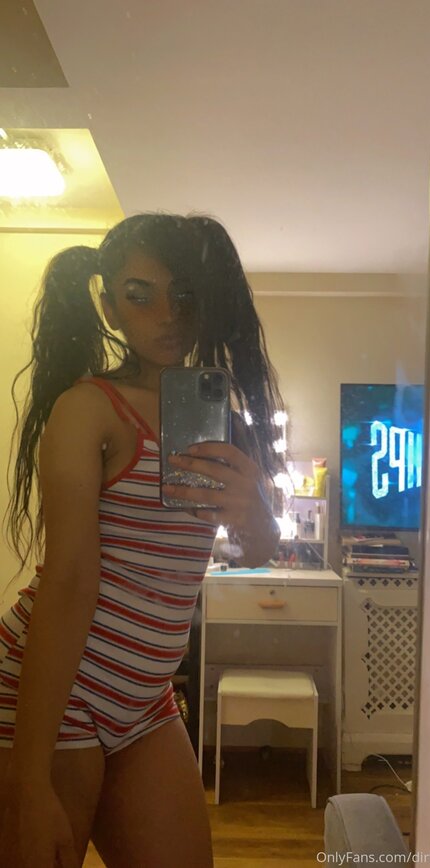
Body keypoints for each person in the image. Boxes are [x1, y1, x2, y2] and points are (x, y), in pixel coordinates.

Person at [0, 212, 285, 868]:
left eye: (183, 294)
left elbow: (254, 550)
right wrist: (28, 776)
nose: (166, 315)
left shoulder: (221, 418)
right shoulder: (90, 409)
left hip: (146, 699)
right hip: (56, 691)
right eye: (139, 295)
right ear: (109, 306)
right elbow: (69, 582)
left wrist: (258, 512)